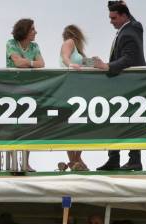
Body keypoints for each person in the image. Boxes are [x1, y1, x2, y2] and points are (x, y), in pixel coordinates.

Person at [93, 1, 146, 172]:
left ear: (124, 16)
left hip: (128, 86)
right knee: (120, 121)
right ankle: (117, 159)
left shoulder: (128, 33)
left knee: (127, 121)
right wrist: (120, 4)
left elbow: (129, 58)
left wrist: (107, 66)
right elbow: (134, 20)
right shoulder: (134, 26)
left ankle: (130, 160)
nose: (111, 21)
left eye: (114, 17)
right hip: (129, 86)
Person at [6, 19, 43, 173]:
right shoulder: (11, 43)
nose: (36, 32)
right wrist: (31, 62)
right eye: (33, 29)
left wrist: (26, 62)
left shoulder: (35, 46)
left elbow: (41, 63)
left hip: (28, 91)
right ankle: (11, 163)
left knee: (28, 127)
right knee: (11, 126)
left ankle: (26, 163)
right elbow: (17, 63)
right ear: (25, 31)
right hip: (10, 91)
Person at [58, 25, 90, 172]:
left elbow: (82, 63)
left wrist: (94, 62)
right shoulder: (69, 42)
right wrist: (70, 64)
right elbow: (65, 57)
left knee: (75, 126)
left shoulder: (77, 50)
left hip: (76, 90)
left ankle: (74, 161)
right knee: (74, 125)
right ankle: (74, 161)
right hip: (70, 89)